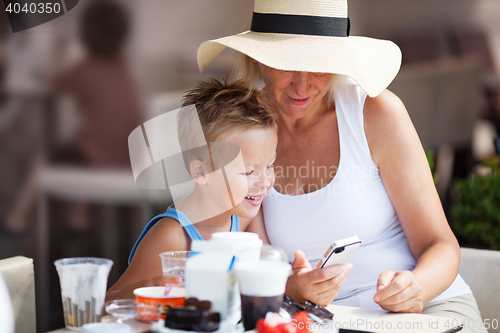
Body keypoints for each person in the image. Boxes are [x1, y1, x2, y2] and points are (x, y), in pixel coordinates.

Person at [196, 0, 486, 332]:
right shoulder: (248, 132)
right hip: (321, 320)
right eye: (288, 64)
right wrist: (293, 287)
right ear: (256, 57)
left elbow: (440, 243)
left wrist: (416, 286)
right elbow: (257, 257)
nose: (303, 85)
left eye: (320, 66)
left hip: (427, 310)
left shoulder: (376, 114)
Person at [106, 78, 278, 300]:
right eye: (248, 172)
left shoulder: (241, 219)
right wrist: (148, 288)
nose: (265, 182)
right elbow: (105, 305)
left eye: (270, 165)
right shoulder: (172, 238)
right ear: (201, 173)